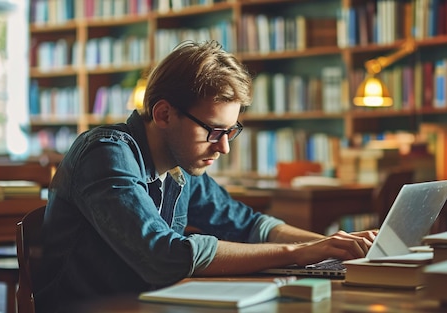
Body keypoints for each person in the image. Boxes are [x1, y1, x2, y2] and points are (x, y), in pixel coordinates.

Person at [35, 40, 376, 312]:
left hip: (153, 304)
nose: (224, 147)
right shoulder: (107, 154)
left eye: (231, 131)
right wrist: (297, 252)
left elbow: (247, 224)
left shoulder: (180, 166)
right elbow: (164, 256)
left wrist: (332, 246)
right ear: (164, 114)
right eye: (214, 131)